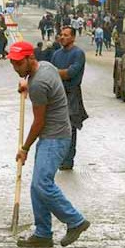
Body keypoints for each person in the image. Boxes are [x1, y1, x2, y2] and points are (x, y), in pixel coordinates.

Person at [7, 41, 90, 248]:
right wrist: (27, 82)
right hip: (54, 135)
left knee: (42, 184)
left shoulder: (38, 84)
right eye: (13, 63)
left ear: (30, 59)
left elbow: (38, 122)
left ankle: (75, 221)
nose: (15, 68)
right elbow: (45, 80)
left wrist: (24, 148)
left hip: (55, 137)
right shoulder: (45, 66)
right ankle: (43, 233)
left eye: (18, 63)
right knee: (37, 187)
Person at [51, 26, 88, 170]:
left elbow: (70, 73)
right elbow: (51, 73)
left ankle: (68, 159)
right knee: (56, 127)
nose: (62, 37)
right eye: (61, 35)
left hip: (72, 94)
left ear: (73, 37)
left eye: (66, 35)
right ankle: (58, 157)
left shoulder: (78, 54)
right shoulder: (56, 54)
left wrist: (55, 72)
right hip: (57, 93)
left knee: (70, 127)